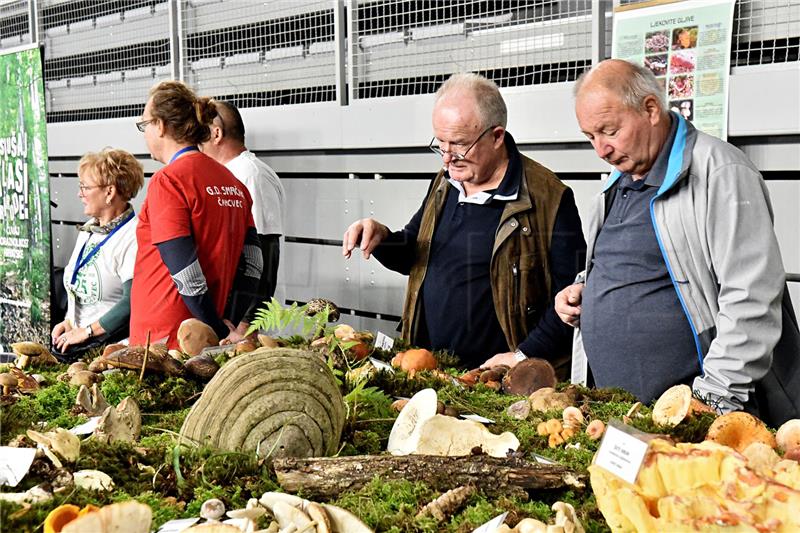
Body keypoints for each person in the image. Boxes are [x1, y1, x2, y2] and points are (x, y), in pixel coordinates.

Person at [556, 59, 799, 426]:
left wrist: (712, 399)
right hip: (619, 413)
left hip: (693, 416)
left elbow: (752, 298)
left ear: (651, 109)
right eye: (590, 136)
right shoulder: (617, 182)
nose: (600, 150)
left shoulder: (721, 172)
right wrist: (583, 289)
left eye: (608, 131)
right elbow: (639, 265)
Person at [343, 73, 586, 376]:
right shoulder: (447, 182)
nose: (447, 158)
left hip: (497, 382)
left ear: (497, 136)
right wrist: (381, 238)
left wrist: (523, 356)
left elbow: (571, 302)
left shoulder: (549, 199)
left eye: (459, 146)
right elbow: (415, 254)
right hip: (433, 369)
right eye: (440, 144)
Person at [130, 81, 263, 349]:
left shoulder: (168, 181)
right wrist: (227, 323)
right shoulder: (233, 183)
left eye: (145, 125)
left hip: (163, 340)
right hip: (209, 333)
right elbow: (253, 263)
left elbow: (184, 269)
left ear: (161, 126)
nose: (144, 135)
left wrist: (213, 325)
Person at [199, 100, 286, 336]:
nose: (194, 140)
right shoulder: (229, 173)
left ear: (216, 133)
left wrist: (245, 325)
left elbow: (265, 256)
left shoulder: (251, 174)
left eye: (199, 131)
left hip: (251, 329)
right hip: (231, 322)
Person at [51, 149, 144, 359]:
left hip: (109, 353)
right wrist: (69, 322)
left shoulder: (133, 236)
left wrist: (87, 331)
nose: (79, 194)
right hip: (78, 344)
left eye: (85, 187)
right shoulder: (89, 229)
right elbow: (79, 287)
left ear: (109, 192)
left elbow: (131, 302)